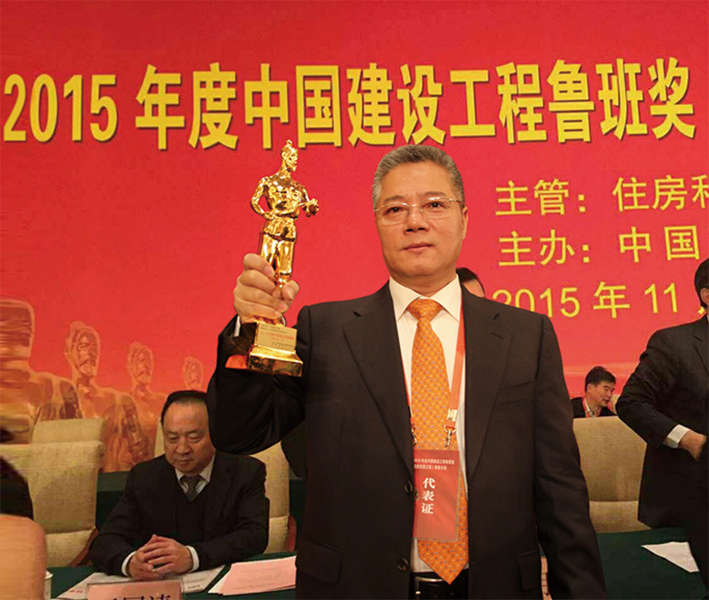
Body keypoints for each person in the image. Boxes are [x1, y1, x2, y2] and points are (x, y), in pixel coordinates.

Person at [207, 145, 605, 599]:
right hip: (357, 589)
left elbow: (559, 487)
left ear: (464, 219)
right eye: (395, 209)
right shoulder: (326, 331)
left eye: (434, 204)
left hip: (494, 587)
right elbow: (238, 433)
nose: (415, 221)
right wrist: (248, 328)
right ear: (377, 223)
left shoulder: (525, 336)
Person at [90, 390, 269, 578]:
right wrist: (130, 563)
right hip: (161, 585)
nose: (182, 449)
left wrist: (193, 556)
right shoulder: (144, 477)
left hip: (223, 581)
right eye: (172, 438)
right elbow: (105, 541)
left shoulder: (245, 472)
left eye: (194, 437)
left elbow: (254, 535)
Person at [616, 258, 708, 590]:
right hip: (693, 497)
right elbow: (631, 402)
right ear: (707, 295)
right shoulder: (675, 344)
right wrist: (690, 441)